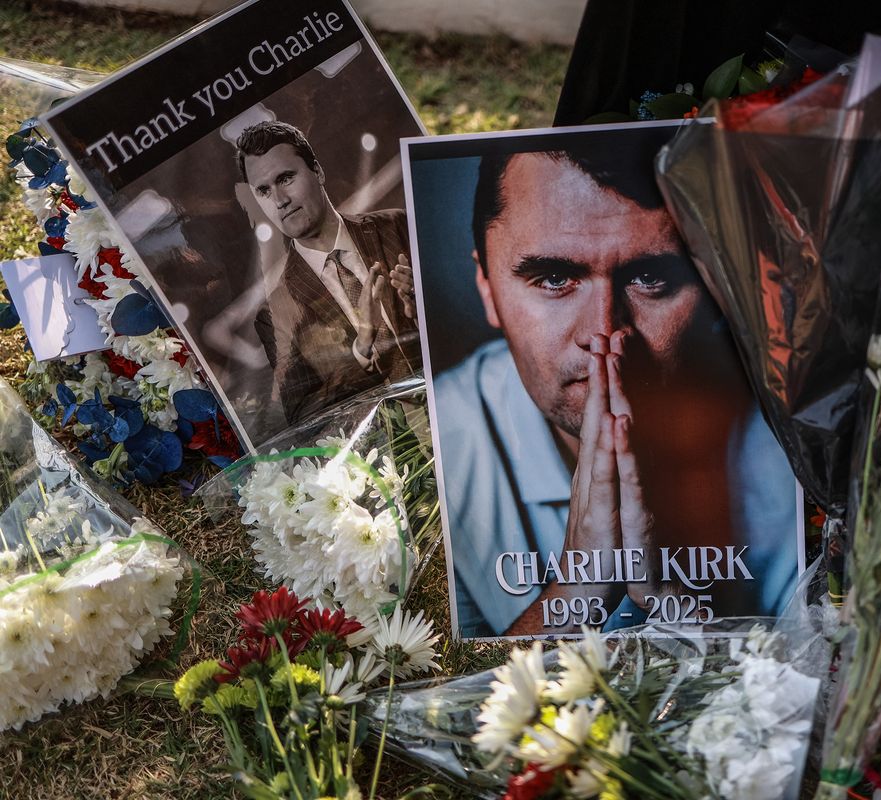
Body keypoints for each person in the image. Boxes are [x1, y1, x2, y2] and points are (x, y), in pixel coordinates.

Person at [432, 140, 800, 637]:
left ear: (717, 285)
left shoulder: (792, 433)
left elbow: (827, 688)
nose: (602, 332)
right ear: (486, 286)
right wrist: (576, 593)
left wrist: (670, 601)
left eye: (651, 277)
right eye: (555, 277)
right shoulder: (431, 452)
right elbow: (427, 705)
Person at [237, 121, 420, 425]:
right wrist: (360, 349)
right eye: (264, 191)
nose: (279, 200)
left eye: (286, 178)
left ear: (317, 172)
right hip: (396, 458)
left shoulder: (398, 226)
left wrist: (428, 302)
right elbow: (304, 417)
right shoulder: (276, 313)